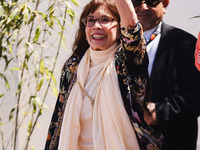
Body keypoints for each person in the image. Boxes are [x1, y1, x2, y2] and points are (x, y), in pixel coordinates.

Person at [44, 0, 163, 149]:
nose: (96, 26)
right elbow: (57, 122)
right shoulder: (73, 66)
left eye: (105, 20)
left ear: (120, 26)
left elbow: (132, 24)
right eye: (91, 20)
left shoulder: (127, 62)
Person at [131, 0, 200, 150]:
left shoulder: (187, 44)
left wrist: (161, 111)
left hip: (171, 142)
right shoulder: (112, 43)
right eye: (136, 1)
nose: (143, 7)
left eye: (151, 1)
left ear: (165, 4)